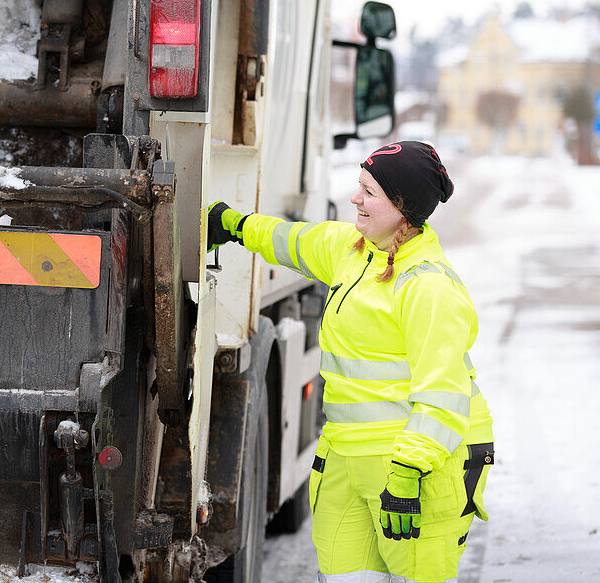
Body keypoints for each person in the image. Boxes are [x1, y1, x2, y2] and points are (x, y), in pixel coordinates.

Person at [207, 141, 494, 583]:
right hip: (346, 456)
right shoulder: (351, 250)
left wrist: (408, 471)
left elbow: (444, 393)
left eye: (369, 191)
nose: (355, 198)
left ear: (402, 207)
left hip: (414, 471)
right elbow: (290, 240)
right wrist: (233, 223)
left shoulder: (428, 287)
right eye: (358, 185)